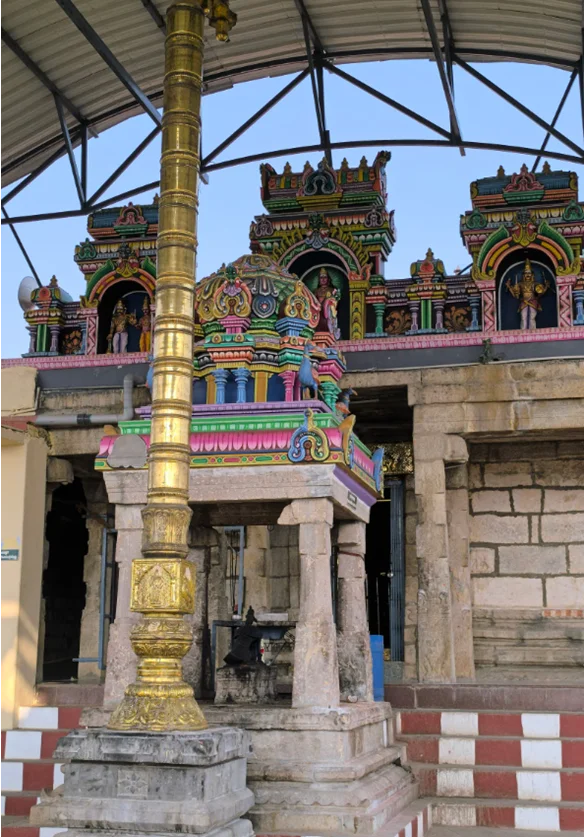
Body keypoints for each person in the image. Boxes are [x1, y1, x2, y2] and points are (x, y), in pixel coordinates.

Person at [506, 258, 550, 330]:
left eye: (529, 273)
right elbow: (515, 294)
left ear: (532, 274)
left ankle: (532, 332)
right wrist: (509, 287)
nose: (528, 275)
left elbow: (540, 293)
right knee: (523, 317)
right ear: (523, 275)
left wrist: (546, 287)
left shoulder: (535, 284)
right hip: (524, 302)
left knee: (532, 317)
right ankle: (523, 332)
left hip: (533, 301)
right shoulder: (520, 284)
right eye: (526, 273)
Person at [315, 267, 341, 339]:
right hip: (318, 311)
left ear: (328, 279)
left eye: (325, 277)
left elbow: (335, 302)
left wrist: (327, 302)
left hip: (328, 311)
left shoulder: (332, 289)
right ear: (319, 280)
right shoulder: (316, 291)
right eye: (321, 277)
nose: (323, 279)